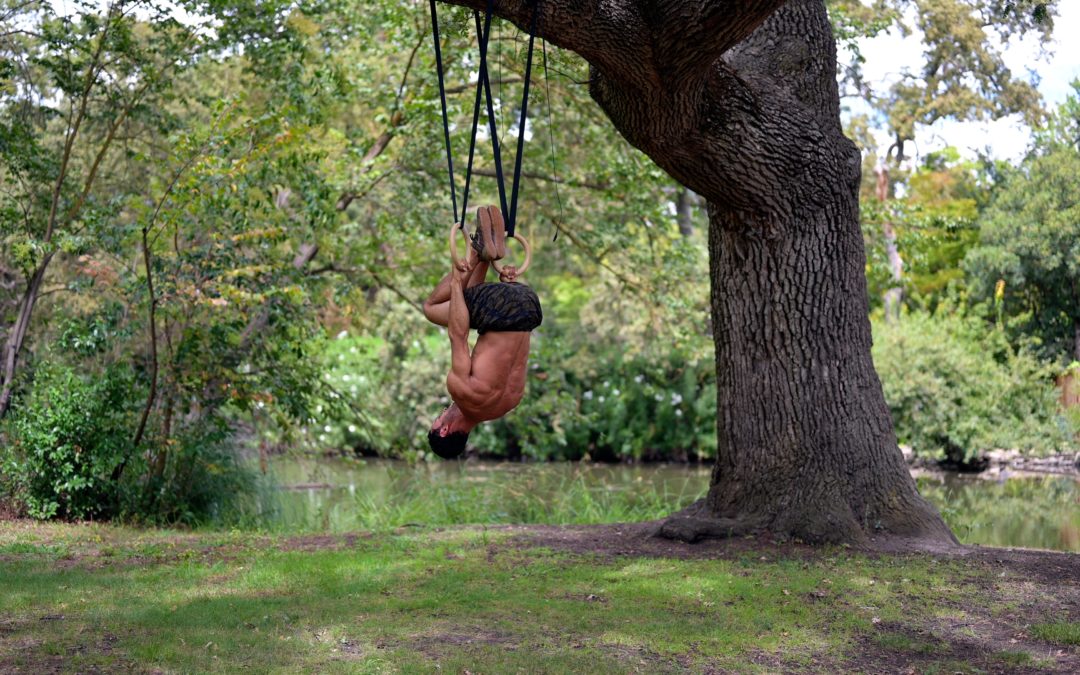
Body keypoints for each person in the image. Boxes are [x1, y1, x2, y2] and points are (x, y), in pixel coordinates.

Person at [422, 206, 543, 459]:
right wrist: (456, 282)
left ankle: (484, 252)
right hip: (500, 309)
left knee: (468, 304)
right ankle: (479, 253)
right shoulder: (461, 392)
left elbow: (515, 348)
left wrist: (510, 289)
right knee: (432, 308)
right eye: (438, 417)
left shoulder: (507, 405)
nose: (443, 411)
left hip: (528, 306)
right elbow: (459, 334)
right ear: (444, 429)